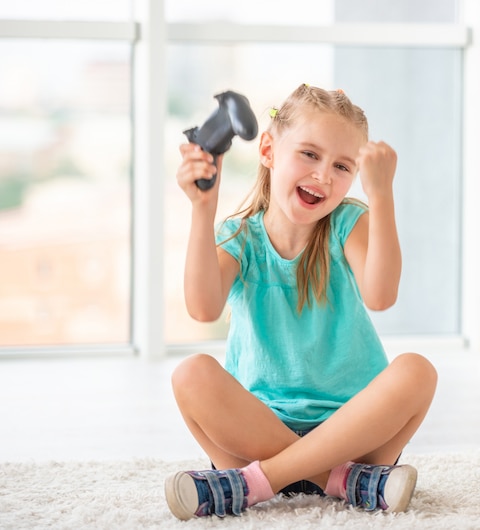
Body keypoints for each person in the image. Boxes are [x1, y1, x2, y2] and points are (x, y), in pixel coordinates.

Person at [165, 84, 437, 520]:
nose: (324, 176)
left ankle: (257, 483)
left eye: (342, 166)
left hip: (354, 432)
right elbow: (202, 309)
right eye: (309, 154)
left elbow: (381, 296)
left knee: (417, 371)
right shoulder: (241, 237)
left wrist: (381, 196)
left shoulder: (348, 222)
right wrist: (202, 210)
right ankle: (341, 481)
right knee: (190, 374)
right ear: (269, 150)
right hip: (257, 431)